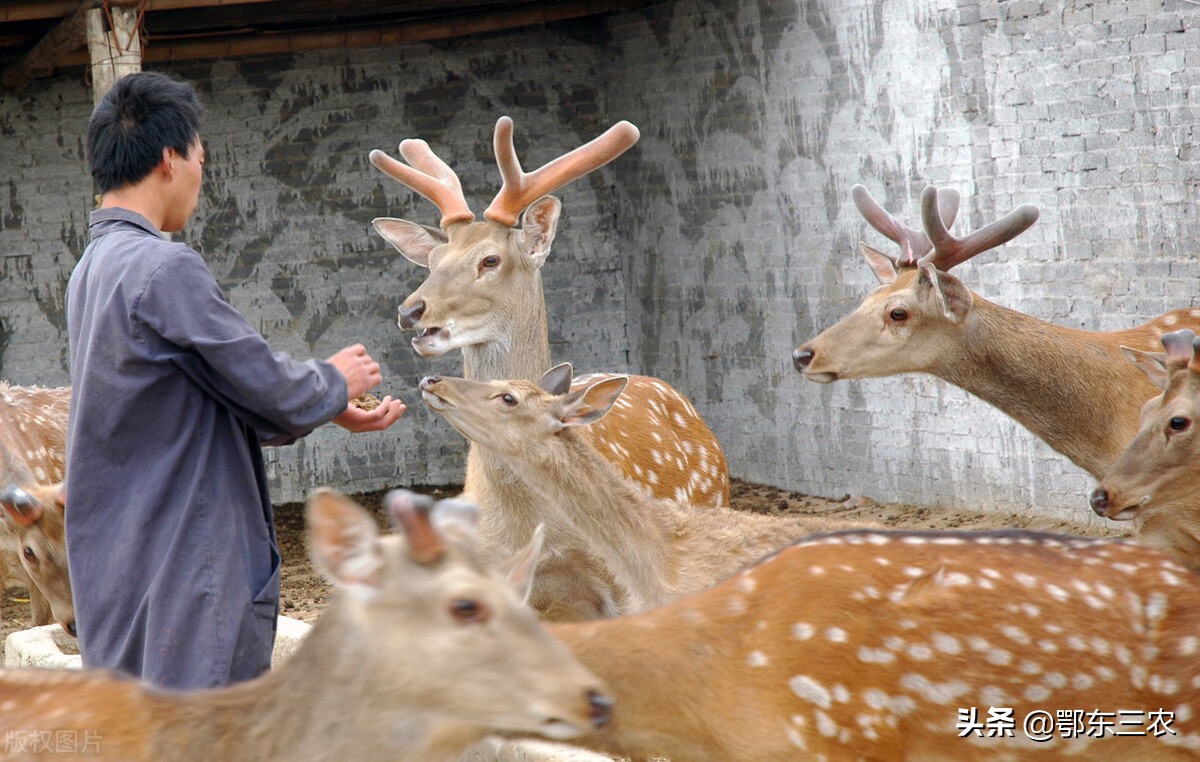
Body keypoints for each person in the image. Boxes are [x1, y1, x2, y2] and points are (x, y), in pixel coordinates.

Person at [65, 71, 406, 690]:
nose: (202, 171)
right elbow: (261, 382)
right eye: (200, 154)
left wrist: (326, 405)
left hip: (123, 564)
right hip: (186, 568)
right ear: (169, 158)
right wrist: (334, 378)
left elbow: (203, 396)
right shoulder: (163, 266)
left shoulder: (92, 270)